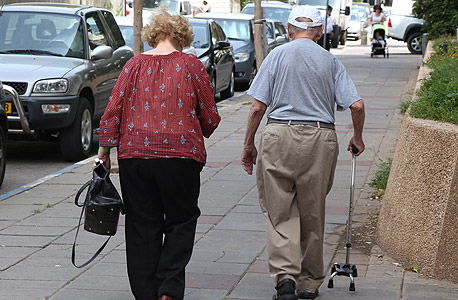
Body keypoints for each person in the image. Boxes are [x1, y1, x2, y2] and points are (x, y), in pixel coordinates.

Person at [241, 5, 365, 300]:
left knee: (280, 211)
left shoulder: (276, 56)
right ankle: (308, 284)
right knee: (313, 211)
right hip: (320, 138)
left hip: (279, 135)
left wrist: (248, 144)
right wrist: (357, 138)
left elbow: (258, 106)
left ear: (288, 29)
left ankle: (285, 279)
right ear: (321, 31)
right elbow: (357, 105)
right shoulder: (330, 60)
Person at [97, 7, 221, 300]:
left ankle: (146, 293)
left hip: (135, 156)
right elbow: (211, 119)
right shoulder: (192, 66)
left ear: (153, 35)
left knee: (142, 225)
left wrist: (104, 153)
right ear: (182, 37)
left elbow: (112, 110)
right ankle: (168, 287)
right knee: (181, 220)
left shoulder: (133, 65)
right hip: (180, 157)